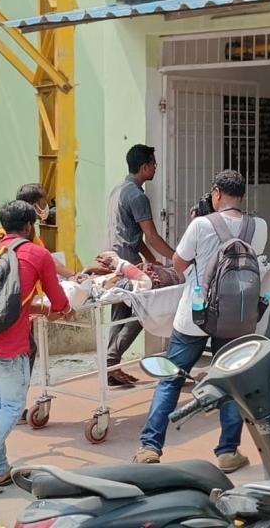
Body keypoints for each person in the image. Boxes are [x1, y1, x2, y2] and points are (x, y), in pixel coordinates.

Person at [134, 169, 267, 473]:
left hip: (195, 316)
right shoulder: (259, 226)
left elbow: (179, 266)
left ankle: (150, 448)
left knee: (171, 379)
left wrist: (199, 232)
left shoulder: (200, 225)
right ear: (242, 195)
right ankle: (228, 452)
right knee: (231, 382)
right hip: (237, 318)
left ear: (216, 192)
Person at [0, 200, 72, 494]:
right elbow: (58, 301)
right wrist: (65, 310)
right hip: (8, 345)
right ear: (29, 227)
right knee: (12, 405)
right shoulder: (36, 253)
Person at [105, 144, 175, 387]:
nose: (155, 167)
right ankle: (111, 359)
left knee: (121, 314)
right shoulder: (137, 195)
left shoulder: (118, 190)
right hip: (127, 263)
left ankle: (110, 367)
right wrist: (177, 258)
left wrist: (151, 259)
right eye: (153, 163)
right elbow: (152, 235)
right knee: (143, 312)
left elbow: (136, 236)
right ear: (144, 167)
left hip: (115, 259)